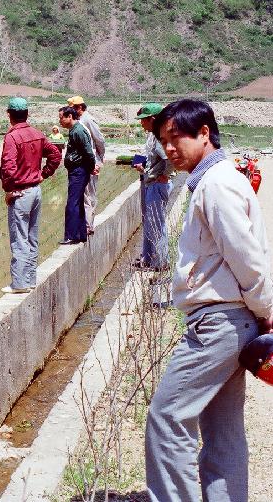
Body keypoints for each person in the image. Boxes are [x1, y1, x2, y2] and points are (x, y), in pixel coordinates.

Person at [145, 99, 273, 502]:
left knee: (167, 419)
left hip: (218, 324)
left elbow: (249, 260)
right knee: (223, 431)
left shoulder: (217, 184)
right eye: (163, 140)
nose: (169, 148)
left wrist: (269, 312)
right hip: (231, 323)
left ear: (204, 133)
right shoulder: (214, 181)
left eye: (176, 137)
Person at [0, 97, 61, 294]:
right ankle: (30, 279)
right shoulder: (37, 134)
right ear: (27, 114)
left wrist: (10, 190)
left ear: (9, 115)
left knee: (19, 238)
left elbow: (8, 168)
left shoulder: (12, 137)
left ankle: (19, 284)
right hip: (35, 191)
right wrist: (44, 174)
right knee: (32, 237)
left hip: (21, 192)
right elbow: (55, 155)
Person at [132, 102, 172, 271]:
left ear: (153, 119)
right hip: (151, 182)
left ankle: (161, 263)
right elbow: (149, 155)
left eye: (144, 120)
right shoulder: (152, 135)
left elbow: (168, 159)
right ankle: (148, 259)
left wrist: (165, 175)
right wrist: (141, 164)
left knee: (157, 224)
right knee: (150, 223)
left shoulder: (160, 137)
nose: (141, 123)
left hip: (157, 184)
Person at [67, 96, 105, 233]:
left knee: (89, 194)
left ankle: (88, 226)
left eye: (74, 108)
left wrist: (99, 159)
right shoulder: (79, 122)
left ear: (80, 107)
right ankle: (85, 224)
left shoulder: (87, 120)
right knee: (83, 195)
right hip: (84, 164)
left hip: (91, 162)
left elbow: (99, 140)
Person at [59, 106, 96, 245]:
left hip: (79, 171)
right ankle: (80, 234)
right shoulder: (74, 130)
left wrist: (90, 168)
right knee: (78, 202)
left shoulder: (78, 131)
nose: (60, 121)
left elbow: (88, 152)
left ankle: (71, 235)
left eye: (61, 117)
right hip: (78, 171)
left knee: (72, 203)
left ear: (70, 117)